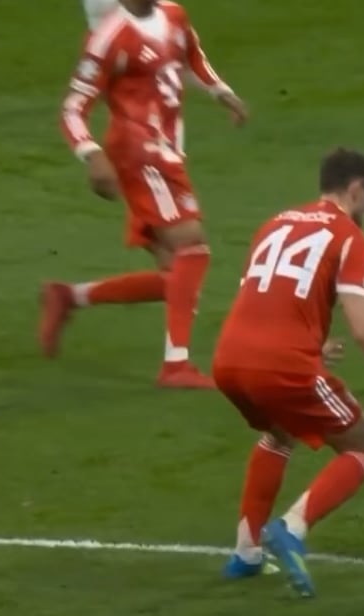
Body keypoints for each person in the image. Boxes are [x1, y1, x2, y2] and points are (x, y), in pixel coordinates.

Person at [213, 148, 364, 597]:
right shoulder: (348, 237)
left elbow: (265, 296)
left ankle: (246, 554)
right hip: (281, 364)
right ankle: (292, 528)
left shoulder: (275, 223)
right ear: (356, 189)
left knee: (280, 431)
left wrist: (309, 343)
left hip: (229, 359)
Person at [43, 0, 249, 388]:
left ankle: (70, 296)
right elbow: (73, 108)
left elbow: (192, 56)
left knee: (177, 276)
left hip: (167, 152)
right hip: (138, 152)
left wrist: (222, 92)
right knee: (191, 245)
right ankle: (176, 366)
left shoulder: (173, 15)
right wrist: (92, 155)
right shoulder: (110, 37)